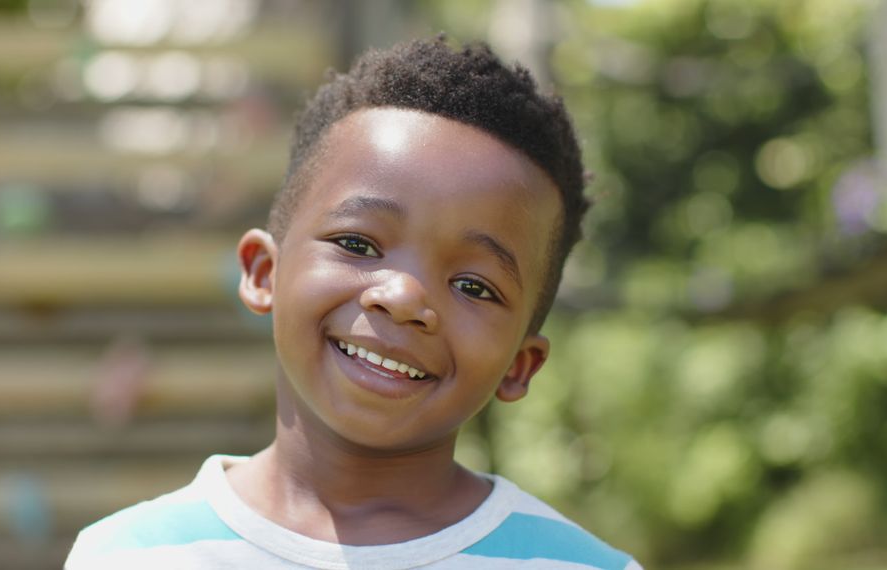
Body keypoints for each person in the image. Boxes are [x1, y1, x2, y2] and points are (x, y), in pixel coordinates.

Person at [66, 37, 642, 570]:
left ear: (520, 365)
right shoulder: (128, 555)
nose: (404, 298)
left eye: (473, 286)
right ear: (265, 273)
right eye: (357, 244)